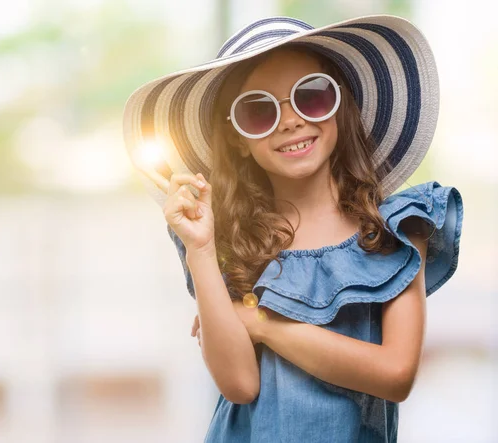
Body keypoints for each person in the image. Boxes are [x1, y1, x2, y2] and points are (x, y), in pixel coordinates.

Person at [122, 15, 464, 443]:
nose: (290, 121)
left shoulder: (395, 227)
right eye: (259, 110)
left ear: (341, 105)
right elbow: (239, 384)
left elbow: (395, 374)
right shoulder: (227, 241)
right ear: (237, 138)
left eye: (312, 97)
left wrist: (263, 323)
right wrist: (201, 249)